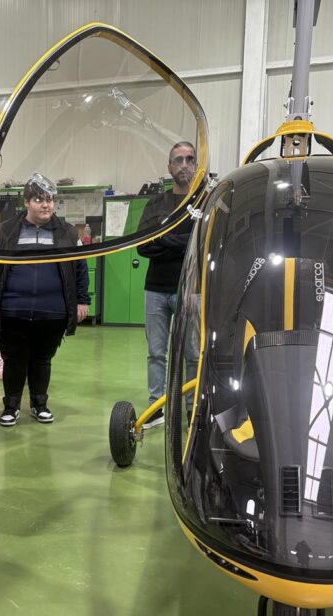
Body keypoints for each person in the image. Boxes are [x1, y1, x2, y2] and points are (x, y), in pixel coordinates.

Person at [0, 173, 89, 426]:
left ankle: (39, 405)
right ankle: (11, 407)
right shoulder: (6, 230)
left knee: (42, 360)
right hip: (12, 310)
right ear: (26, 202)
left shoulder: (67, 232)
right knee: (14, 360)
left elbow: (80, 267)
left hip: (52, 312)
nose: (46, 205)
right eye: (39, 200)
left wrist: (82, 300)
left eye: (49, 200)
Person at [138, 141, 199, 428]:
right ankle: (156, 407)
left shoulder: (204, 202)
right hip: (156, 290)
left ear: (196, 164)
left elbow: (203, 243)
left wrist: (164, 239)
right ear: (169, 167)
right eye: (178, 160)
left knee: (193, 354)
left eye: (189, 159)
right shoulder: (155, 204)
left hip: (192, 289)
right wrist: (183, 243)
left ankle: (192, 408)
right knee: (156, 353)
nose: (184, 165)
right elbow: (143, 245)